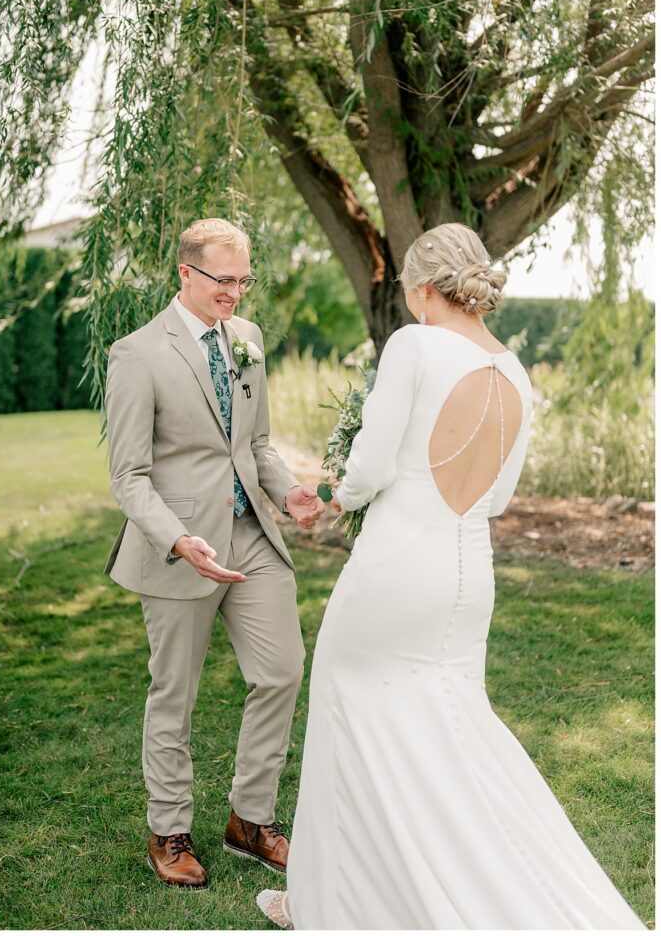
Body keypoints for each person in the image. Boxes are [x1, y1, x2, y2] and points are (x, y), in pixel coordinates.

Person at [257, 223, 646, 929]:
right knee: (453, 727)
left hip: (398, 563)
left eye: (406, 295)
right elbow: (495, 498)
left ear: (425, 289)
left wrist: (336, 493)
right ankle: (484, 881)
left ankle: (325, 900)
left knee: (347, 709)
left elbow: (371, 470)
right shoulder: (514, 371)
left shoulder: (413, 346)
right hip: (468, 573)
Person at [104, 218, 324, 889]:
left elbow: (254, 448)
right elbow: (128, 478)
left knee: (282, 671)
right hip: (179, 549)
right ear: (185, 274)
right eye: (221, 280)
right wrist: (177, 539)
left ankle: (250, 820)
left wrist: (289, 494)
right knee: (175, 693)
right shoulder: (137, 354)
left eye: (242, 280)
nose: (234, 292)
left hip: (252, 536)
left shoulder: (248, 340)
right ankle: (168, 829)